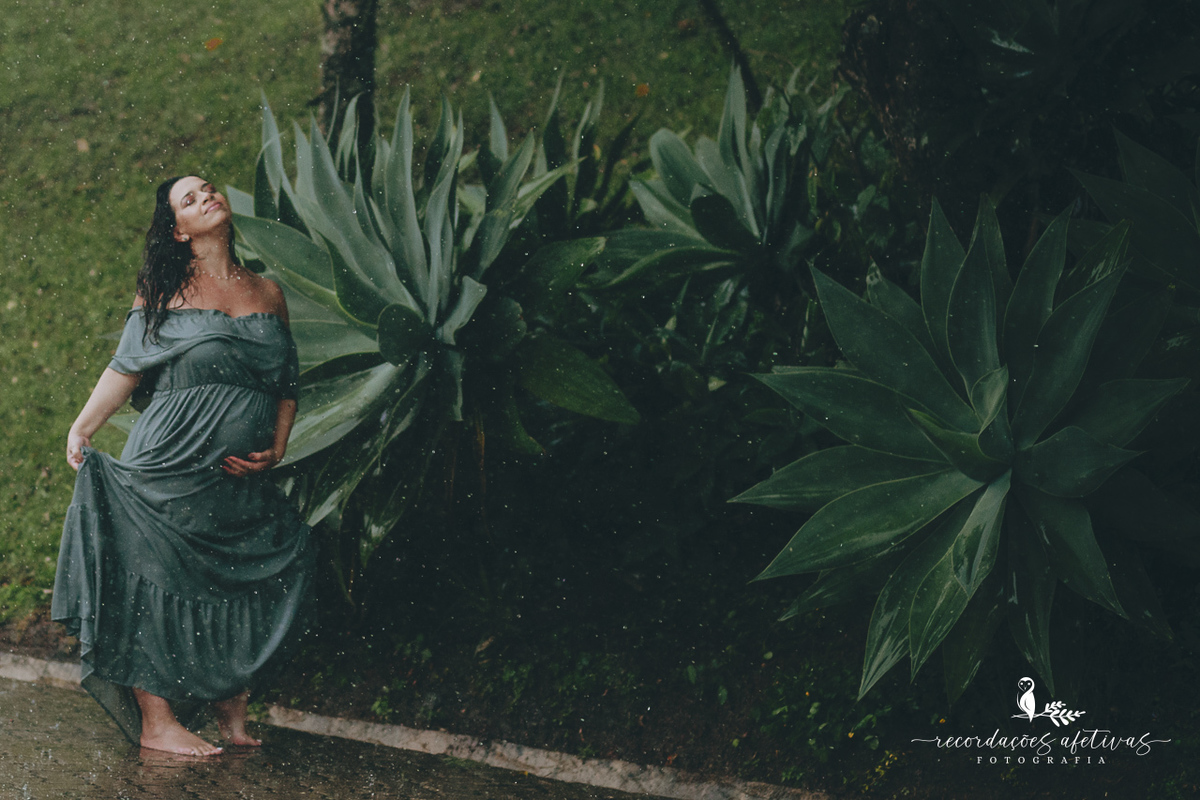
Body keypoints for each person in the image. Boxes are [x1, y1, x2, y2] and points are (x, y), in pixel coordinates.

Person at [53, 175, 313, 756]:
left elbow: (286, 384)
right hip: (171, 458)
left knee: (236, 579)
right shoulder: (164, 289)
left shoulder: (268, 293)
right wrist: (82, 426)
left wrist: (279, 446)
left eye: (208, 189)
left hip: (239, 474)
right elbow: (126, 366)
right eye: (189, 199)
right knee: (160, 577)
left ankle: (230, 714)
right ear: (178, 229)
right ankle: (157, 722)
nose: (206, 199)